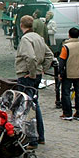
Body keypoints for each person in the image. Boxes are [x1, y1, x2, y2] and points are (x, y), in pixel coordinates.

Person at [14, 15, 53, 148]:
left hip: (27, 76)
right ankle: (40, 136)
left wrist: (31, 73)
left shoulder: (26, 39)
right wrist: (42, 69)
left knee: (27, 107)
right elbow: (49, 55)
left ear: (21, 25)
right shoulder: (38, 37)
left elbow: (30, 57)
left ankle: (32, 139)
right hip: (36, 75)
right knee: (35, 105)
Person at [58, 27, 79, 120]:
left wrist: (60, 72)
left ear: (69, 35)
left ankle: (67, 113)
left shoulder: (66, 47)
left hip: (68, 72)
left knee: (66, 93)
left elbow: (62, 61)